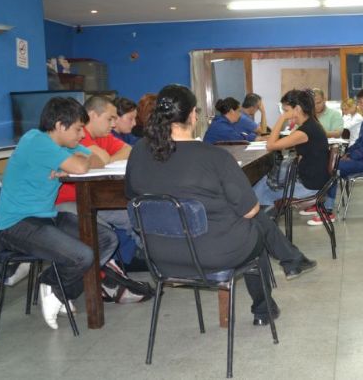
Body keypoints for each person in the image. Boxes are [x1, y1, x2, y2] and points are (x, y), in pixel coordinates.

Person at [125, 85, 317, 326]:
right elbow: (250, 210)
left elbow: (133, 196)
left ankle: (290, 266)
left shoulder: (138, 152)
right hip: (213, 255)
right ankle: (264, 307)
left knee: (252, 223)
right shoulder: (214, 156)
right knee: (256, 223)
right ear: (193, 115)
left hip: (160, 256)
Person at [0, 97, 118, 330]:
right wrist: (74, 163)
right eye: (78, 129)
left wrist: (72, 163)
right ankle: (51, 284)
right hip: (17, 224)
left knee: (107, 239)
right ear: (60, 125)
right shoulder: (35, 141)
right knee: (83, 256)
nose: (82, 135)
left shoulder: (64, 146)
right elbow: (81, 166)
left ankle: (57, 290)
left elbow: (102, 159)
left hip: (47, 217)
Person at [55, 95, 135, 261]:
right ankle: (104, 271)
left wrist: (106, 160)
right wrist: (103, 159)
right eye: (110, 119)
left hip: (97, 198)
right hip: (73, 201)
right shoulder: (77, 135)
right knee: (106, 236)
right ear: (92, 115)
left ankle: (155, 262)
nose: (113, 124)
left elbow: (128, 150)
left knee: (135, 215)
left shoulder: (104, 136)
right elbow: (99, 158)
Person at [252, 90, 332, 222]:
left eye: (286, 110)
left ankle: (264, 225)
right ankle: (265, 222)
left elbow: (270, 145)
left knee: (258, 193)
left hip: (309, 187)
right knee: (261, 184)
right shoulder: (310, 125)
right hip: (310, 181)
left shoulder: (305, 131)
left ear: (297, 109)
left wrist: (282, 118)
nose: (285, 113)